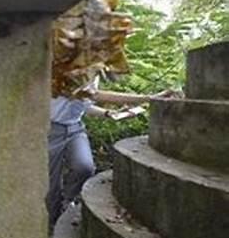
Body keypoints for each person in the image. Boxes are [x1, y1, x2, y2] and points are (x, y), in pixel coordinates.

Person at [46, 84, 175, 229]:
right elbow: (94, 95)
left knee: (84, 167)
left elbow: (85, 105)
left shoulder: (92, 74)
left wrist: (108, 113)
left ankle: (68, 201)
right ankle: (51, 221)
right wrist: (149, 98)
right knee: (51, 181)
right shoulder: (69, 70)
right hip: (51, 128)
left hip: (75, 128)